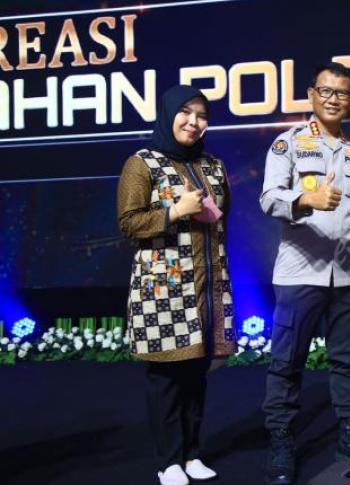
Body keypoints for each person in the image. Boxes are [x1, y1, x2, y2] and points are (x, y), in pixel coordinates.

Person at [259, 62, 350, 485]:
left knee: (348, 359)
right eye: (326, 91)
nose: (334, 99)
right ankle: (282, 442)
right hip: (300, 273)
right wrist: (306, 199)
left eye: (343, 93)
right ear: (312, 95)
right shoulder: (288, 143)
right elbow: (268, 198)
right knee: (287, 362)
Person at [117, 85, 235, 485]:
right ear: (168, 114)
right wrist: (175, 211)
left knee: (197, 374)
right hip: (163, 290)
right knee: (167, 378)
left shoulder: (213, 164)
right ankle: (168, 461)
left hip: (208, 282)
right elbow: (128, 223)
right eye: (185, 112)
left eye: (202, 115)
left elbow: (223, 220)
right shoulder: (142, 163)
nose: (193, 122)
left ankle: (191, 454)